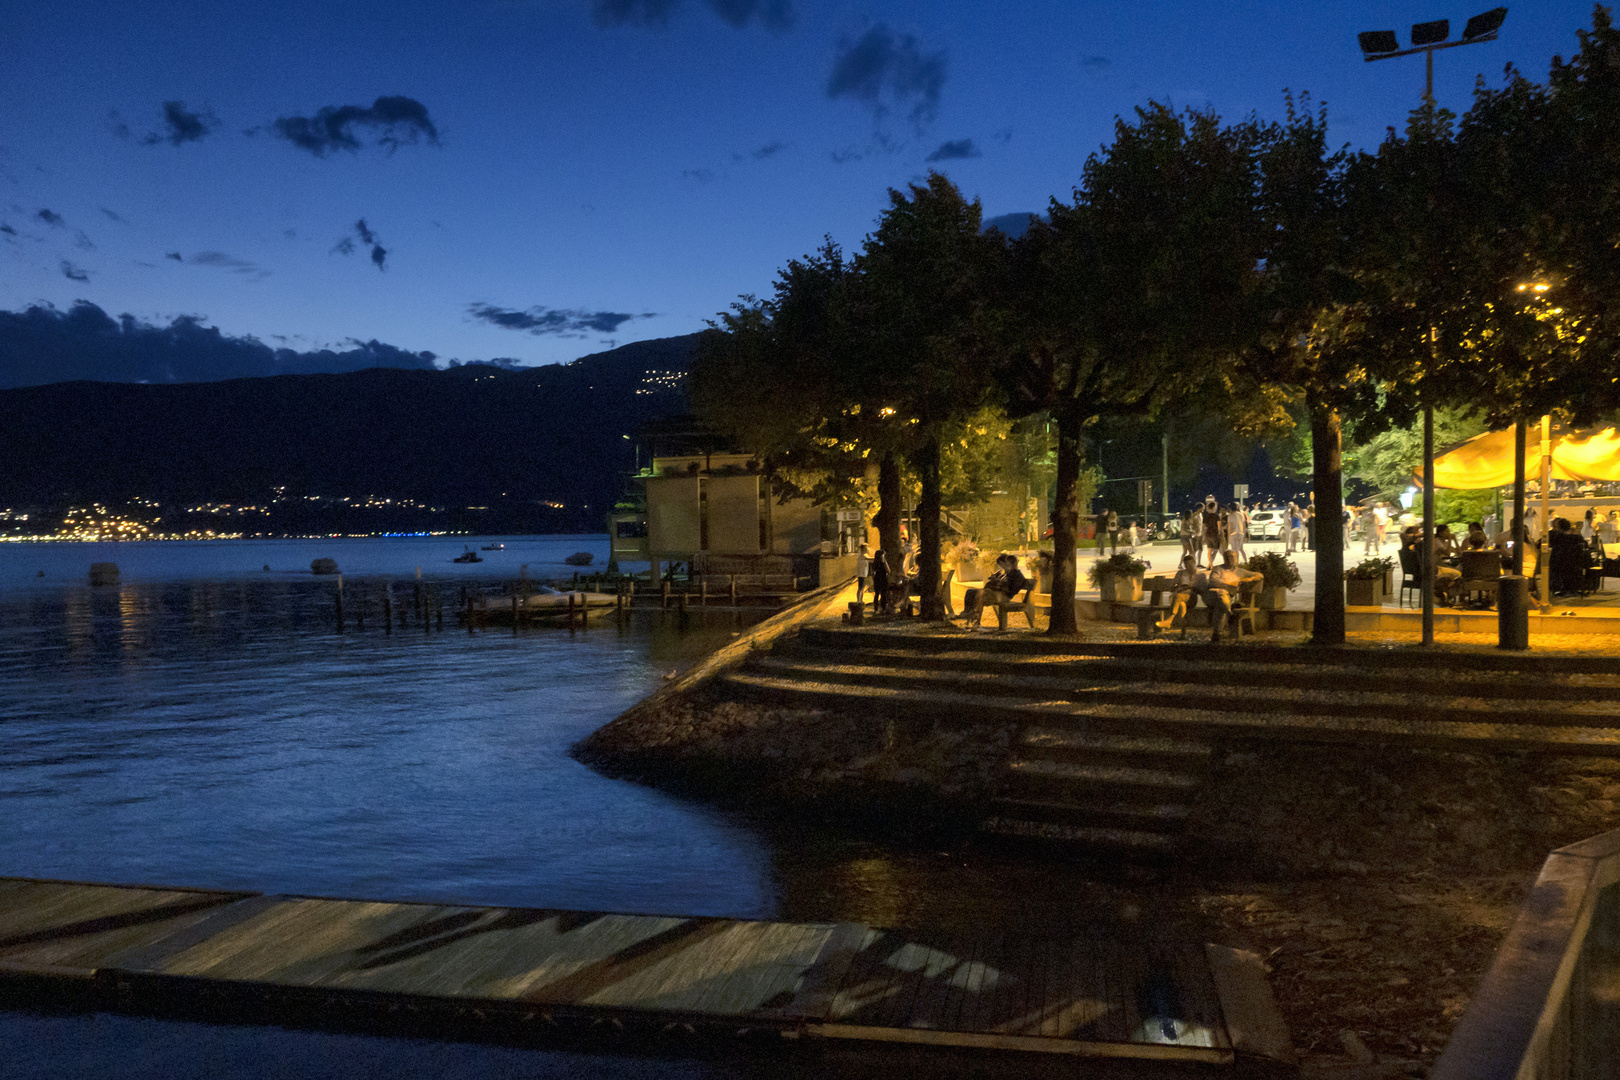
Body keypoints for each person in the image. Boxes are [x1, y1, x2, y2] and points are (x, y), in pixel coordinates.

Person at [1203, 549, 1263, 643]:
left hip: (1226, 600)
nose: (1230, 559)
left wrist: (1249, 579)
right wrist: (1230, 584)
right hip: (1214, 596)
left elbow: (1260, 575)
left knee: (1221, 606)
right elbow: (1213, 581)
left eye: (1232, 556)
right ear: (1224, 558)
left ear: (1236, 558)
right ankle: (1229, 615)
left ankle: (1217, 634)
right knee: (1221, 594)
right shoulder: (1218, 569)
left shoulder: (1240, 571)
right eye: (1227, 557)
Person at [964, 553, 1031, 632]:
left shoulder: (1017, 575)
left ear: (1014, 563)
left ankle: (976, 623)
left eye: (1008, 563)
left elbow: (1011, 590)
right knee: (970, 591)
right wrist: (997, 581)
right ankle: (967, 615)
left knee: (980, 595)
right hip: (995, 593)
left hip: (1002, 596)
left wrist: (999, 583)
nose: (1006, 566)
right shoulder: (1005, 573)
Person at [1155, 554, 1206, 632]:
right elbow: (1171, 588)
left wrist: (1189, 587)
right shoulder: (1180, 573)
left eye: (1190, 565)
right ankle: (1183, 631)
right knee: (1181, 605)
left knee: (1178, 598)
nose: (1188, 567)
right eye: (1186, 565)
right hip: (1177, 596)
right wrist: (1177, 588)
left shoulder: (1200, 575)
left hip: (1190, 597)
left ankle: (1169, 620)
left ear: (1194, 563)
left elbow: (1202, 589)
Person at [1201, 496, 1224, 570]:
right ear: (1214, 508)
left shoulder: (1206, 516)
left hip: (1208, 534)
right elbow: (1219, 526)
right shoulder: (1216, 516)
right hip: (1215, 534)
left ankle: (1210, 565)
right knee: (1216, 550)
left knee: (1209, 550)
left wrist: (1203, 536)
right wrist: (1221, 534)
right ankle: (1210, 564)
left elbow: (1203, 526)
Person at [871, 548, 889, 613]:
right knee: (883, 594)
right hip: (883, 579)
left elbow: (873, 572)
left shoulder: (874, 563)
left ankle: (875, 608)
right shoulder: (883, 563)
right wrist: (886, 562)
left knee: (877, 594)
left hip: (877, 579)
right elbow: (889, 571)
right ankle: (883, 608)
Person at [855, 543, 872, 608]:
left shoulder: (864, 555)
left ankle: (860, 600)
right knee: (860, 588)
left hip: (864, 574)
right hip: (861, 574)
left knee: (862, 588)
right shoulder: (862, 555)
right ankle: (858, 601)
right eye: (865, 548)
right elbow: (870, 559)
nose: (866, 549)